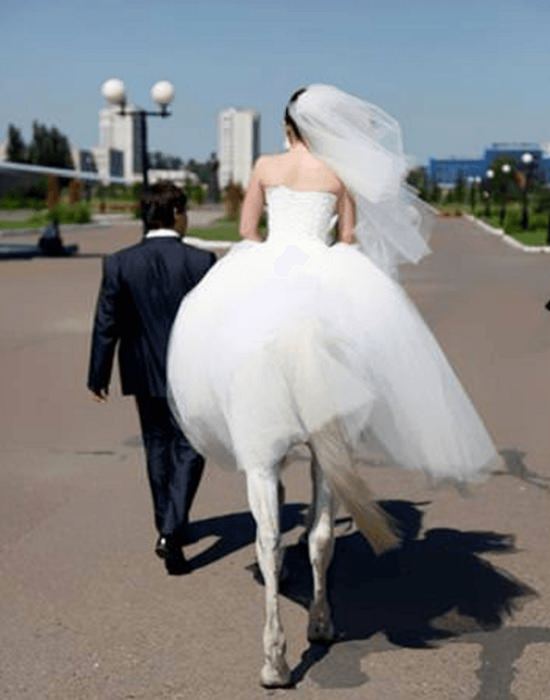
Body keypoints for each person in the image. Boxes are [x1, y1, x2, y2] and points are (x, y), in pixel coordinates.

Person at [167, 82, 498, 508]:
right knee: (366, 345)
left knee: (226, 339)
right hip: (322, 259)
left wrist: (273, 244)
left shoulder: (266, 166)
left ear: (288, 128)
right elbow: (347, 237)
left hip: (269, 257)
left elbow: (247, 230)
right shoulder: (338, 173)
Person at [87, 181, 217, 574]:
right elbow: (215, 323)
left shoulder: (119, 262)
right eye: (186, 211)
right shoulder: (201, 261)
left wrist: (98, 374)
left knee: (157, 448)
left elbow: (105, 322)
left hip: (142, 371)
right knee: (191, 448)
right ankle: (172, 530)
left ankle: (167, 524)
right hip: (190, 371)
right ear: (176, 214)